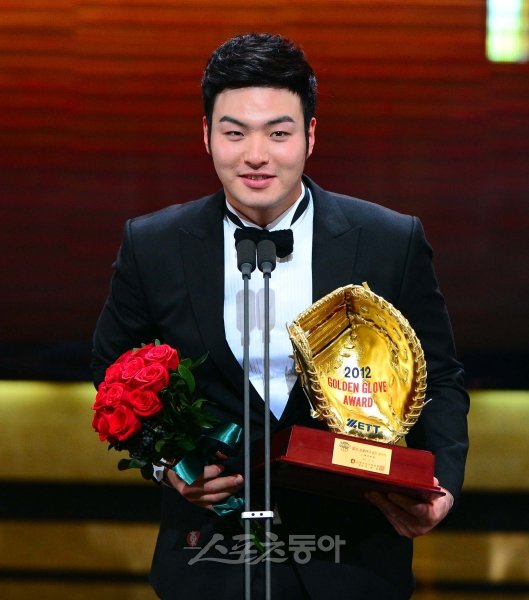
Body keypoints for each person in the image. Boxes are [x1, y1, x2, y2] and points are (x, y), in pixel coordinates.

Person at [92, 32, 469, 600]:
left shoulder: (390, 240)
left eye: (278, 132)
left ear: (310, 135)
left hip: (354, 557)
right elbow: (112, 372)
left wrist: (442, 486)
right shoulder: (154, 245)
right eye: (234, 132)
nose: (256, 155)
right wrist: (169, 464)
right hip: (210, 556)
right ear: (206, 135)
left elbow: (437, 376)